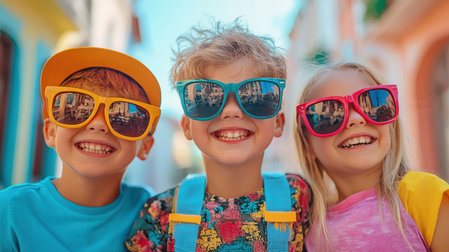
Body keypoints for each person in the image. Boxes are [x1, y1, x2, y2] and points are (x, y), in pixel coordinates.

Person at [125, 20, 312, 251]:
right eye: (207, 98)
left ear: (278, 123)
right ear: (186, 126)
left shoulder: (300, 199)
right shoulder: (160, 214)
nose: (231, 110)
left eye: (255, 96)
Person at [0, 47, 162, 251]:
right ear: (51, 132)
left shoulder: (151, 212)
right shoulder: (10, 211)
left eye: (125, 117)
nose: (98, 124)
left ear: (145, 146)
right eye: (76, 108)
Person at [294, 62, 449, 251]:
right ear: (308, 147)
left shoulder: (424, 194)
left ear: (391, 127)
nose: (356, 119)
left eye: (373, 104)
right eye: (328, 114)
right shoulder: (308, 230)